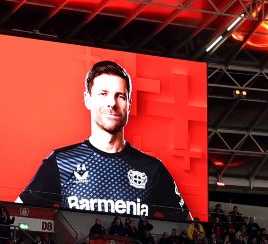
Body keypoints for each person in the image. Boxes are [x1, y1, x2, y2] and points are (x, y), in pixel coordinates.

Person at [17, 61, 188, 220]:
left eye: (120, 96)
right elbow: (17, 215)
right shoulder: (62, 162)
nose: (111, 103)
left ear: (129, 104)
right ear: (87, 99)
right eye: (103, 94)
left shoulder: (152, 169)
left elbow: (190, 228)